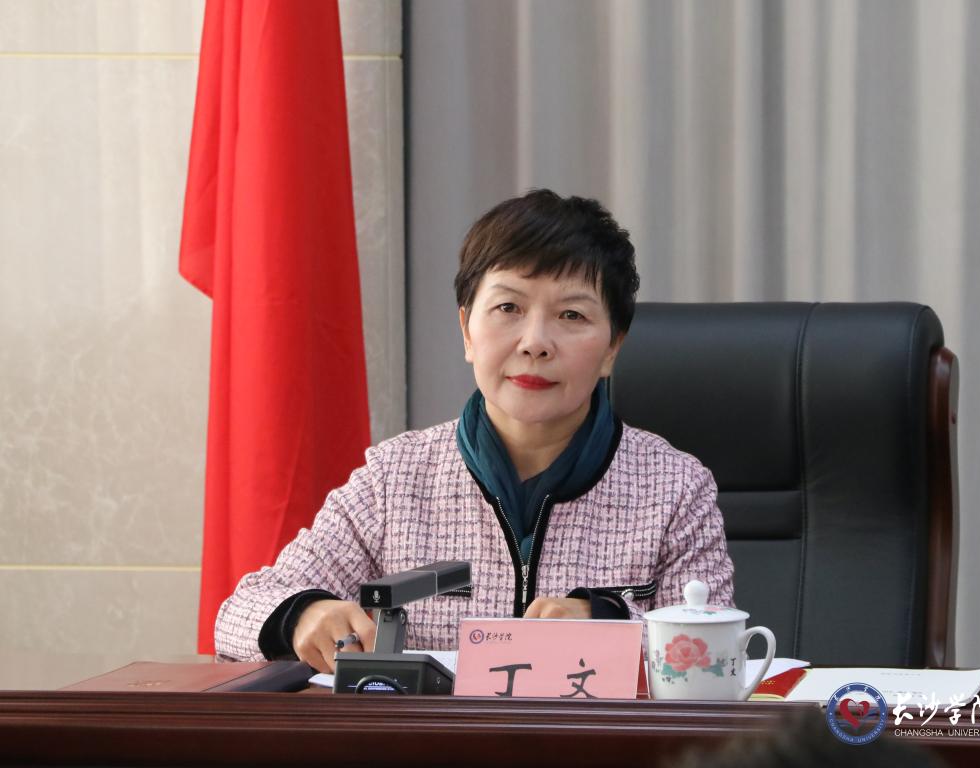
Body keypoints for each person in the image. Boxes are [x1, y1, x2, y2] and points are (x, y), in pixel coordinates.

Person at [215, 189, 735, 673]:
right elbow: (239, 613)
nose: (535, 342)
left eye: (571, 314)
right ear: (467, 330)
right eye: (508, 308)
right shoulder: (395, 479)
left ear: (612, 349)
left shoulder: (674, 488)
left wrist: (607, 622)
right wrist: (302, 615)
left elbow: (714, 655)